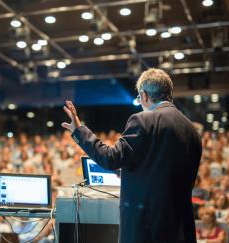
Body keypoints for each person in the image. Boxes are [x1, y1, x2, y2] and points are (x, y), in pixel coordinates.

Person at [62, 68, 202, 243]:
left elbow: (110, 158)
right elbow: (163, 174)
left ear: (144, 95)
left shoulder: (143, 120)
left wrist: (80, 131)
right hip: (180, 229)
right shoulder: (192, 130)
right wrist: (126, 173)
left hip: (146, 228)